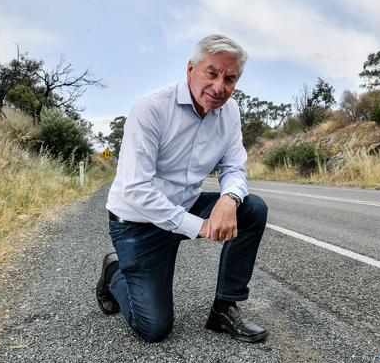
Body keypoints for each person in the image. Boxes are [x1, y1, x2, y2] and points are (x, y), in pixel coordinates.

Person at [96, 34, 269, 344]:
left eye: (230, 79)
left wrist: (229, 199)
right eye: (212, 73)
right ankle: (114, 273)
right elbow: (135, 189)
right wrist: (200, 225)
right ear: (191, 69)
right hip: (137, 223)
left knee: (252, 208)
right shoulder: (151, 108)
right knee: (154, 328)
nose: (219, 87)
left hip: (184, 205)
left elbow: (233, 167)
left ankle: (224, 308)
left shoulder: (229, 113)